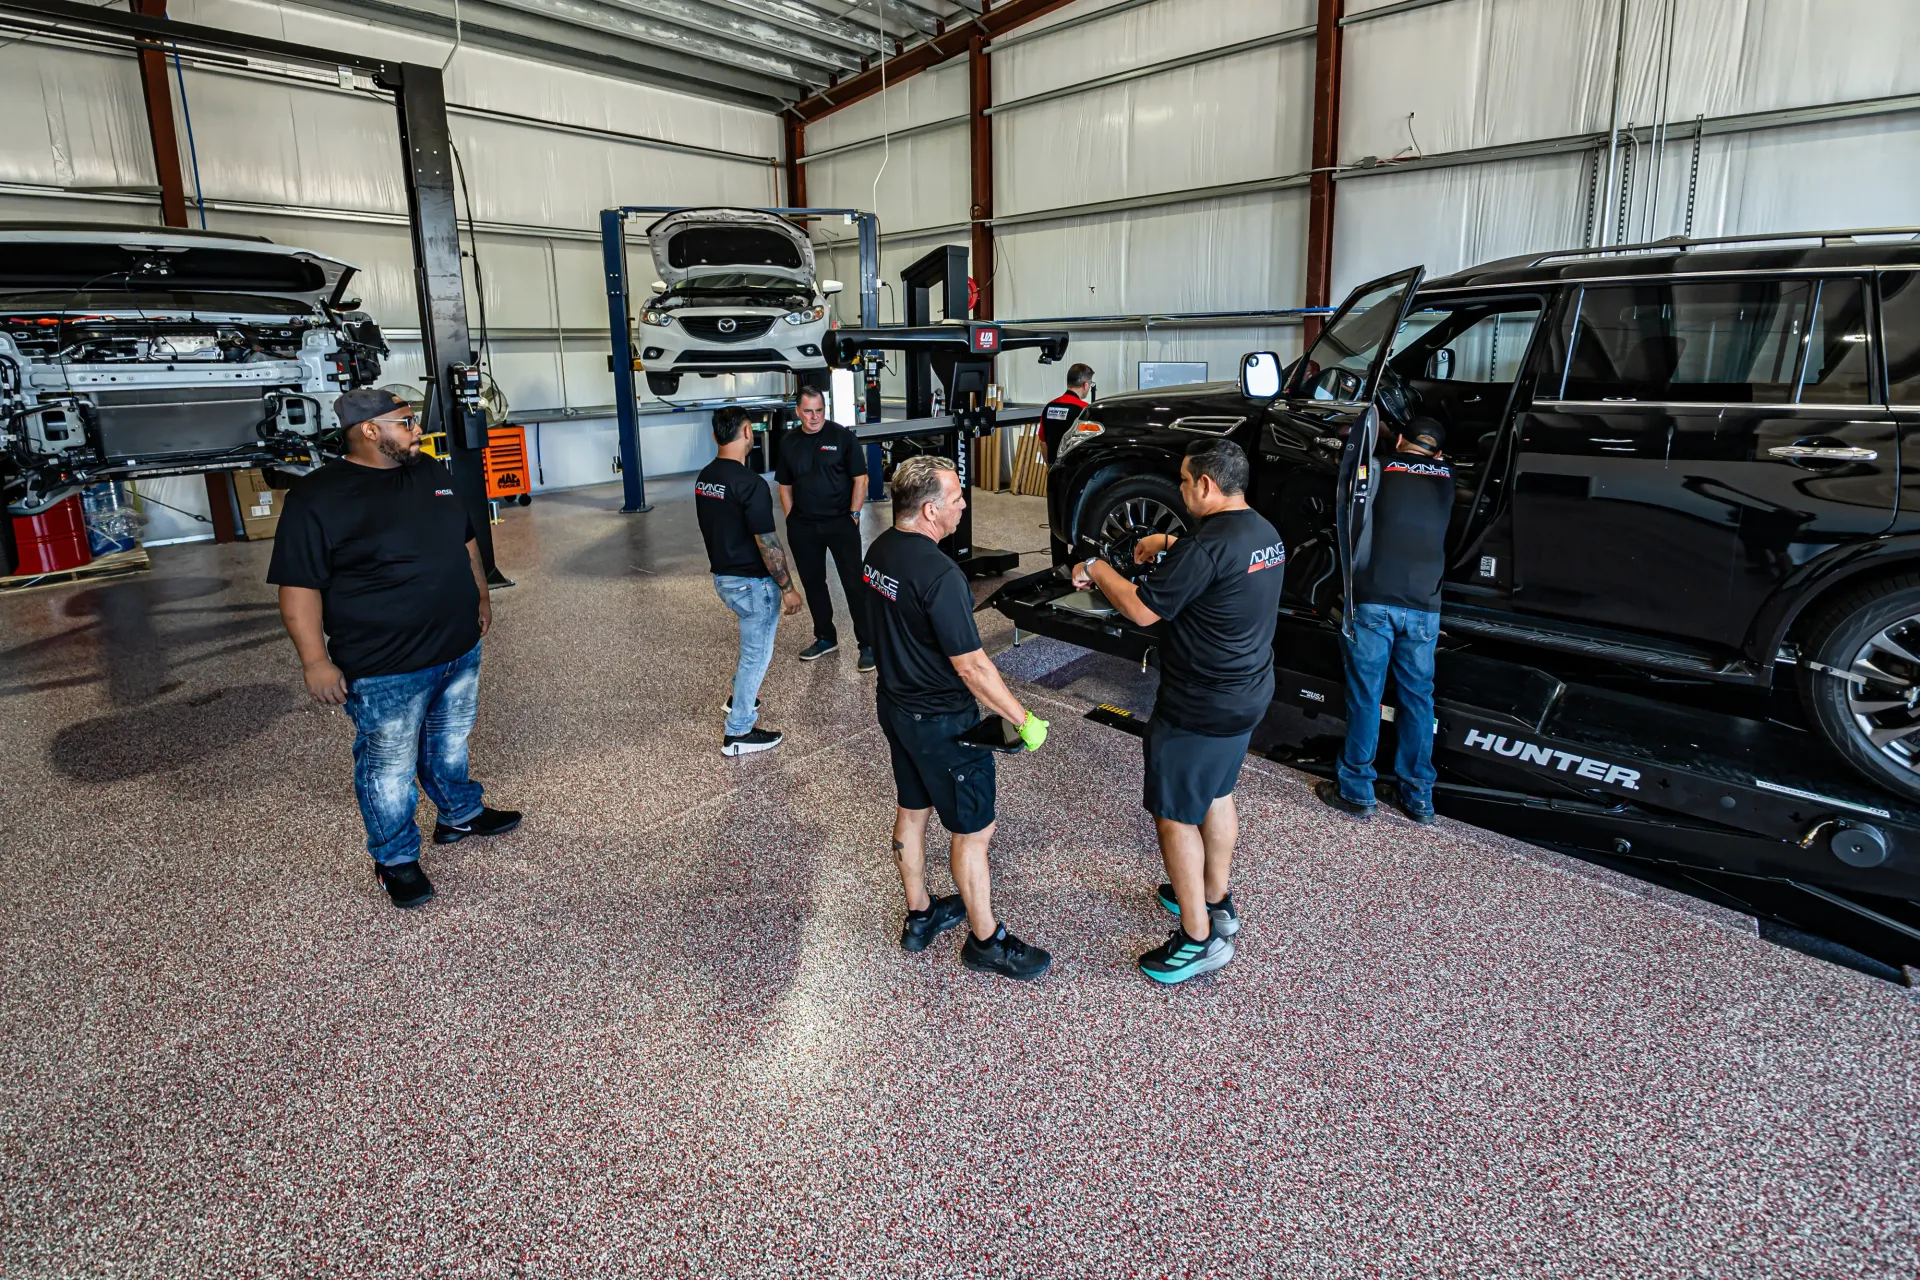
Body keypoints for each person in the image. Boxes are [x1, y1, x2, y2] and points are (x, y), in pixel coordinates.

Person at [269, 387, 519, 911]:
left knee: (450, 743)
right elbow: (298, 587)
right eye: (404, 422)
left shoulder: (428, 471)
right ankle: (396, 859)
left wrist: (480, 595)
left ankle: (458, 815)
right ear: (368, 431)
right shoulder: (318, 497)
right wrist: (315, 660)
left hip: (457, 647)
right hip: (385, 666)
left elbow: (466, 538)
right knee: (389, 768)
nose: (416, 430)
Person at [1072, 438, 1284, 984]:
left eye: (1186, 482)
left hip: (1199, 705)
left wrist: (1096, 566)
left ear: (1206, 486)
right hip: (1248, 693)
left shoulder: (1206, 548)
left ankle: (1197, 939)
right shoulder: (1263, 533)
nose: (1181, 489)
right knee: (1217, 793)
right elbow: (1220, 564)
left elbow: (1142, 610)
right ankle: (1216, 901)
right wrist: (1168, 540)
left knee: (1173, 814)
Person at [863, 455, 1053, 980]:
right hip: (945, 724)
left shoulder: (879, 551)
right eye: (956, 499)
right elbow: (971, 666)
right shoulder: (941, 574)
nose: (964, 506)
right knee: (974, 831)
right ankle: (986, 941)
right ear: (929, 510)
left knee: (913, 807)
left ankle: (921, 914)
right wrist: (1024, 718)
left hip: (896, 707)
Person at [1314, 417, 1452, 825]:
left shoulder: (1378, 469)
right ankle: (1418, 798)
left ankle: (1357, 790)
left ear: (1403, 441)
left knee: (1366, 696)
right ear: (1439, 454)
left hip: (1374, 600)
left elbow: (1353, 489)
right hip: (1426, 607)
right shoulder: (1449, 476)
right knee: (1418, 701)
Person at [697, 405, 804, 757]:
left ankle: (737, 699)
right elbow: (767, 543)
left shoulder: (705, 478)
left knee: (751, 653)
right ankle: (738, 731)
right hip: (752, 585)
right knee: (756, 656)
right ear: (747, 432)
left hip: (725, 580)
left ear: (716, 436)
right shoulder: (750, 484)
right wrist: (788, 589)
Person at [777, 386, 875, 671]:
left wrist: (854, 515)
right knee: (814, 583)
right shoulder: (788, 442)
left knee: (854, 584)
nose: (814, 417)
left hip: (840, 522)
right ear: (798, 412)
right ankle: (825, 637)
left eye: (819, 410)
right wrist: (791, 517)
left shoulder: (842, 437)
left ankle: (867, 644)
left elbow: (861, 478)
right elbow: (784, 484)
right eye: (808, 411)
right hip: (804, 526)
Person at [1040, 363, 1095, 461]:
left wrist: (1051, 467)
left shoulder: (1049, 406)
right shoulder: (1084, 409)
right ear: (1086, 385)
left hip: (1055, 469)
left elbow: (1043, 442)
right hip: (1075, 471)